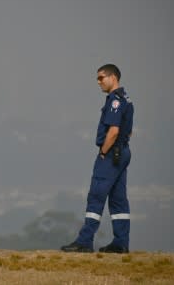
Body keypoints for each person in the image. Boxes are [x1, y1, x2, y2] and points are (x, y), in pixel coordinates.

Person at [61, 64, 134, 253]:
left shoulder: (115, 101)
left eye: (101, 77)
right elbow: (129, 131)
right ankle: (121, 243)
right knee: (118, 200)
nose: (98, 82)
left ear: (113, 77)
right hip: (123, 152)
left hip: (111, 154)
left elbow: (114, 130)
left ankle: (85, 241)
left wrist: (103, 152)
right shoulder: (127, 99)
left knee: (96, 196)